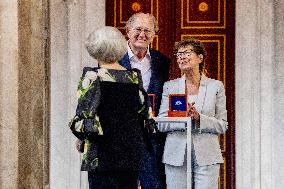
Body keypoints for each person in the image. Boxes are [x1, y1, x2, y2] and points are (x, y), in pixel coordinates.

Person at [69, 26, 155, 189]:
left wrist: (81, 138)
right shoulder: (134, 77)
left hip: (102, 154)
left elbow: (84, 118)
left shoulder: (92, 77)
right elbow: (145, 116)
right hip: (131, 153)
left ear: (95, 49)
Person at [157, 38, 228, 189]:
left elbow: (222, 125)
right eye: (178, 54)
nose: (181, 57)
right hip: (175, 155)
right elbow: (161, 124)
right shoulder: (170, 87)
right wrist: (181, 118)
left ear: (200, 57)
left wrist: (198, 118)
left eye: (187, 53)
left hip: (207, 155)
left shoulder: (215, 86)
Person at [119, 12, 171, 189]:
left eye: (148, 30)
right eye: (138, 29)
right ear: (127, 30)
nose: (142, 34)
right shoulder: (113, 59)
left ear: (154, 34)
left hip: (153, 140)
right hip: (122, 139)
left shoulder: (162, 61)